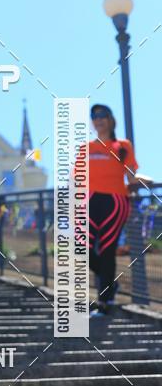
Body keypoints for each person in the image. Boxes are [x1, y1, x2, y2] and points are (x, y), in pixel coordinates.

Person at [86, 104, 138, 317]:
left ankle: (104, 302)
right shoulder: (86, 148)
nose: (98, 119)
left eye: (102, 115)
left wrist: (144, 182)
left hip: (115, 201)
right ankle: (111, 284)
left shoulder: (122, 146)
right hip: (89, 201)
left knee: (107, 250)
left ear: (110, 120)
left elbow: (132, 177)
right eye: (94, 116)